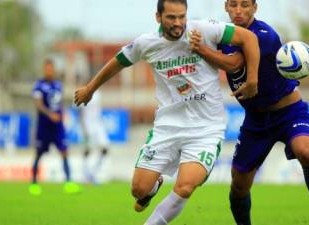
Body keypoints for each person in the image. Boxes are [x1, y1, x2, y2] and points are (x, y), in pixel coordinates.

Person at [74, 0, 260, 224]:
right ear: (158, 17)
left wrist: (252, 80)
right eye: (171, 17)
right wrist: (90, 89)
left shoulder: (204, 30)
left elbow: (249, 38)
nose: (178, 23)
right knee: (138, 190)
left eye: (182, 16)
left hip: (205, 129)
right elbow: (118, 62)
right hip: (167, 126)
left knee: (185, 186)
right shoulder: (146, 43)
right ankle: (153, 187)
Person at [189, 0, 309, 224]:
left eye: (245, 5)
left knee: (304, 151)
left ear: (255, 8)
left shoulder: (264, 34)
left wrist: (200, 49)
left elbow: (233, 64)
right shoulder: (222, 35)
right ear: (226, 6)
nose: (239, 10)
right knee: (238, 185)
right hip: (256, 120)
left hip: (289, 111)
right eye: (234, 5)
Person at [29, 59, 81, 196]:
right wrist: (50, 114)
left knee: (64, 152)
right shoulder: (38, 86)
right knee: (39, 154)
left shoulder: (58, 85)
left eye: (51, 68)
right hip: (44, 127)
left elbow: (59, 103)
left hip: (58, 127)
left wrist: (62, 114)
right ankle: (34, 183)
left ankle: (69, 182)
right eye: (47, 68)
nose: (49, 71)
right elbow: (38, 104)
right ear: (44, 70)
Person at [78, 89, 110, 184]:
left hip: (98, 124)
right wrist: (83, 127)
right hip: (88, 124)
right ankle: (86, 174)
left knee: (105, 149)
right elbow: (80, 111)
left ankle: (93, 174)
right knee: (87, 150)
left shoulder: (98, 93)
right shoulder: (83, 92)